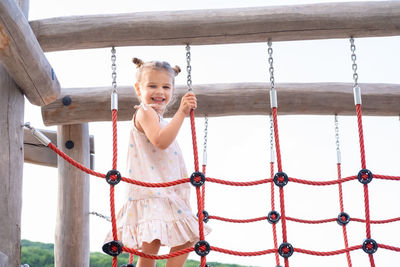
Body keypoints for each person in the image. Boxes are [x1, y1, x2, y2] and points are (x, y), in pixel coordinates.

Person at [105, 58, 210, 267]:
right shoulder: (144, 112)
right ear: (138, 89)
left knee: (191, 237)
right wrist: (181, 113)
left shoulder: (159, 118)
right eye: (152, 86)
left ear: (172, 90)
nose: (159, 91)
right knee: (151, 245)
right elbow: (160, 141)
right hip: (150, 192)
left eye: (165, 86)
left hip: (167, 192)